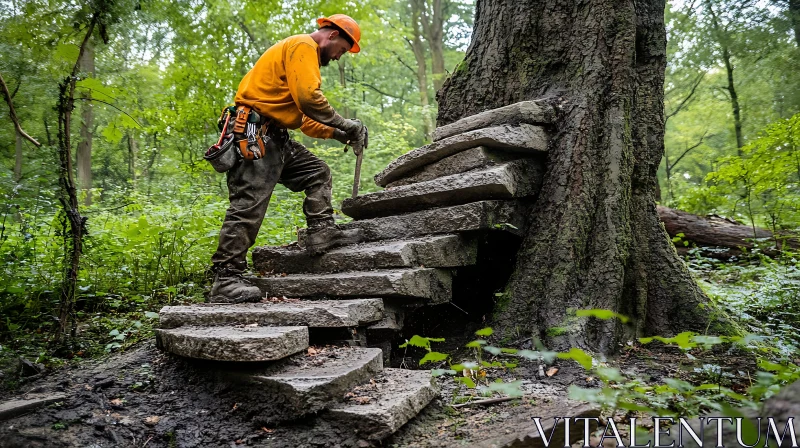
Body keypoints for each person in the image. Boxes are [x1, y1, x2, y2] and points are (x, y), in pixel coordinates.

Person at [209, 14, 367, 303]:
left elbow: (304, 117)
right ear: (331, 34)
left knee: (317, 172)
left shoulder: (300, 57)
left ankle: (321, 232)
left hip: (276, 136)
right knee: (248, 206)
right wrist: (346, 123)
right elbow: (309, 98)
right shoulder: (303, 45)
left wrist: (337, 133)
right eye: (342, 50)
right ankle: (226, 279)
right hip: (255, 134)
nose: (339, 57)